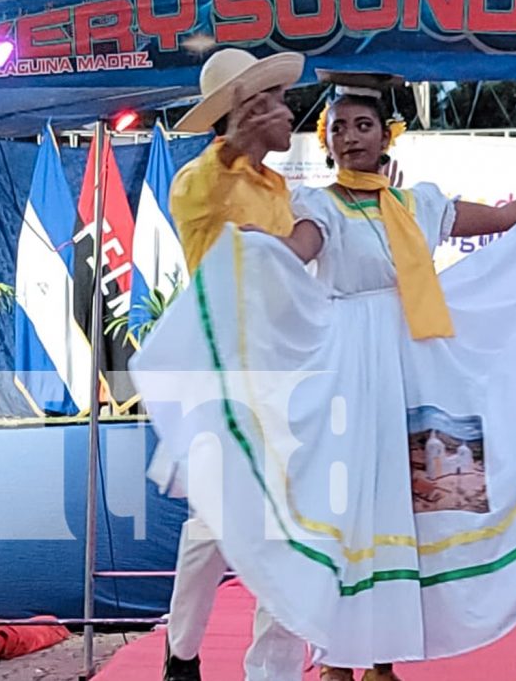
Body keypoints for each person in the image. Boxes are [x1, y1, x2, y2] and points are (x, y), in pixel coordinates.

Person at [132, 68, 516, 677]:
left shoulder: (419, 202)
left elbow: (500, 219)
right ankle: (323, 658)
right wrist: (250, 257)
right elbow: (294, 252)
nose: (351, 138)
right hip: (346, 368)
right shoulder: (313, 203)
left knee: (422, 507)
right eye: (340, 128)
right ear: (325, 142)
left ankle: (380, 655)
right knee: (339, 514)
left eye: (363, 126)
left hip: (420, 365)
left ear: (386, 137)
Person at [158, 47, 308, 681]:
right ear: (237, 116)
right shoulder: (199, 181)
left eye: (278, 97)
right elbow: (204, 188)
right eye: (266, 101)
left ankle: (268, 670)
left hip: (285, 376)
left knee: (289, 530)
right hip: (221, 377)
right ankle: (181, 654)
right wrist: (232, 150)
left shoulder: (280, 189)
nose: (283, 108)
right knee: (212, 528)